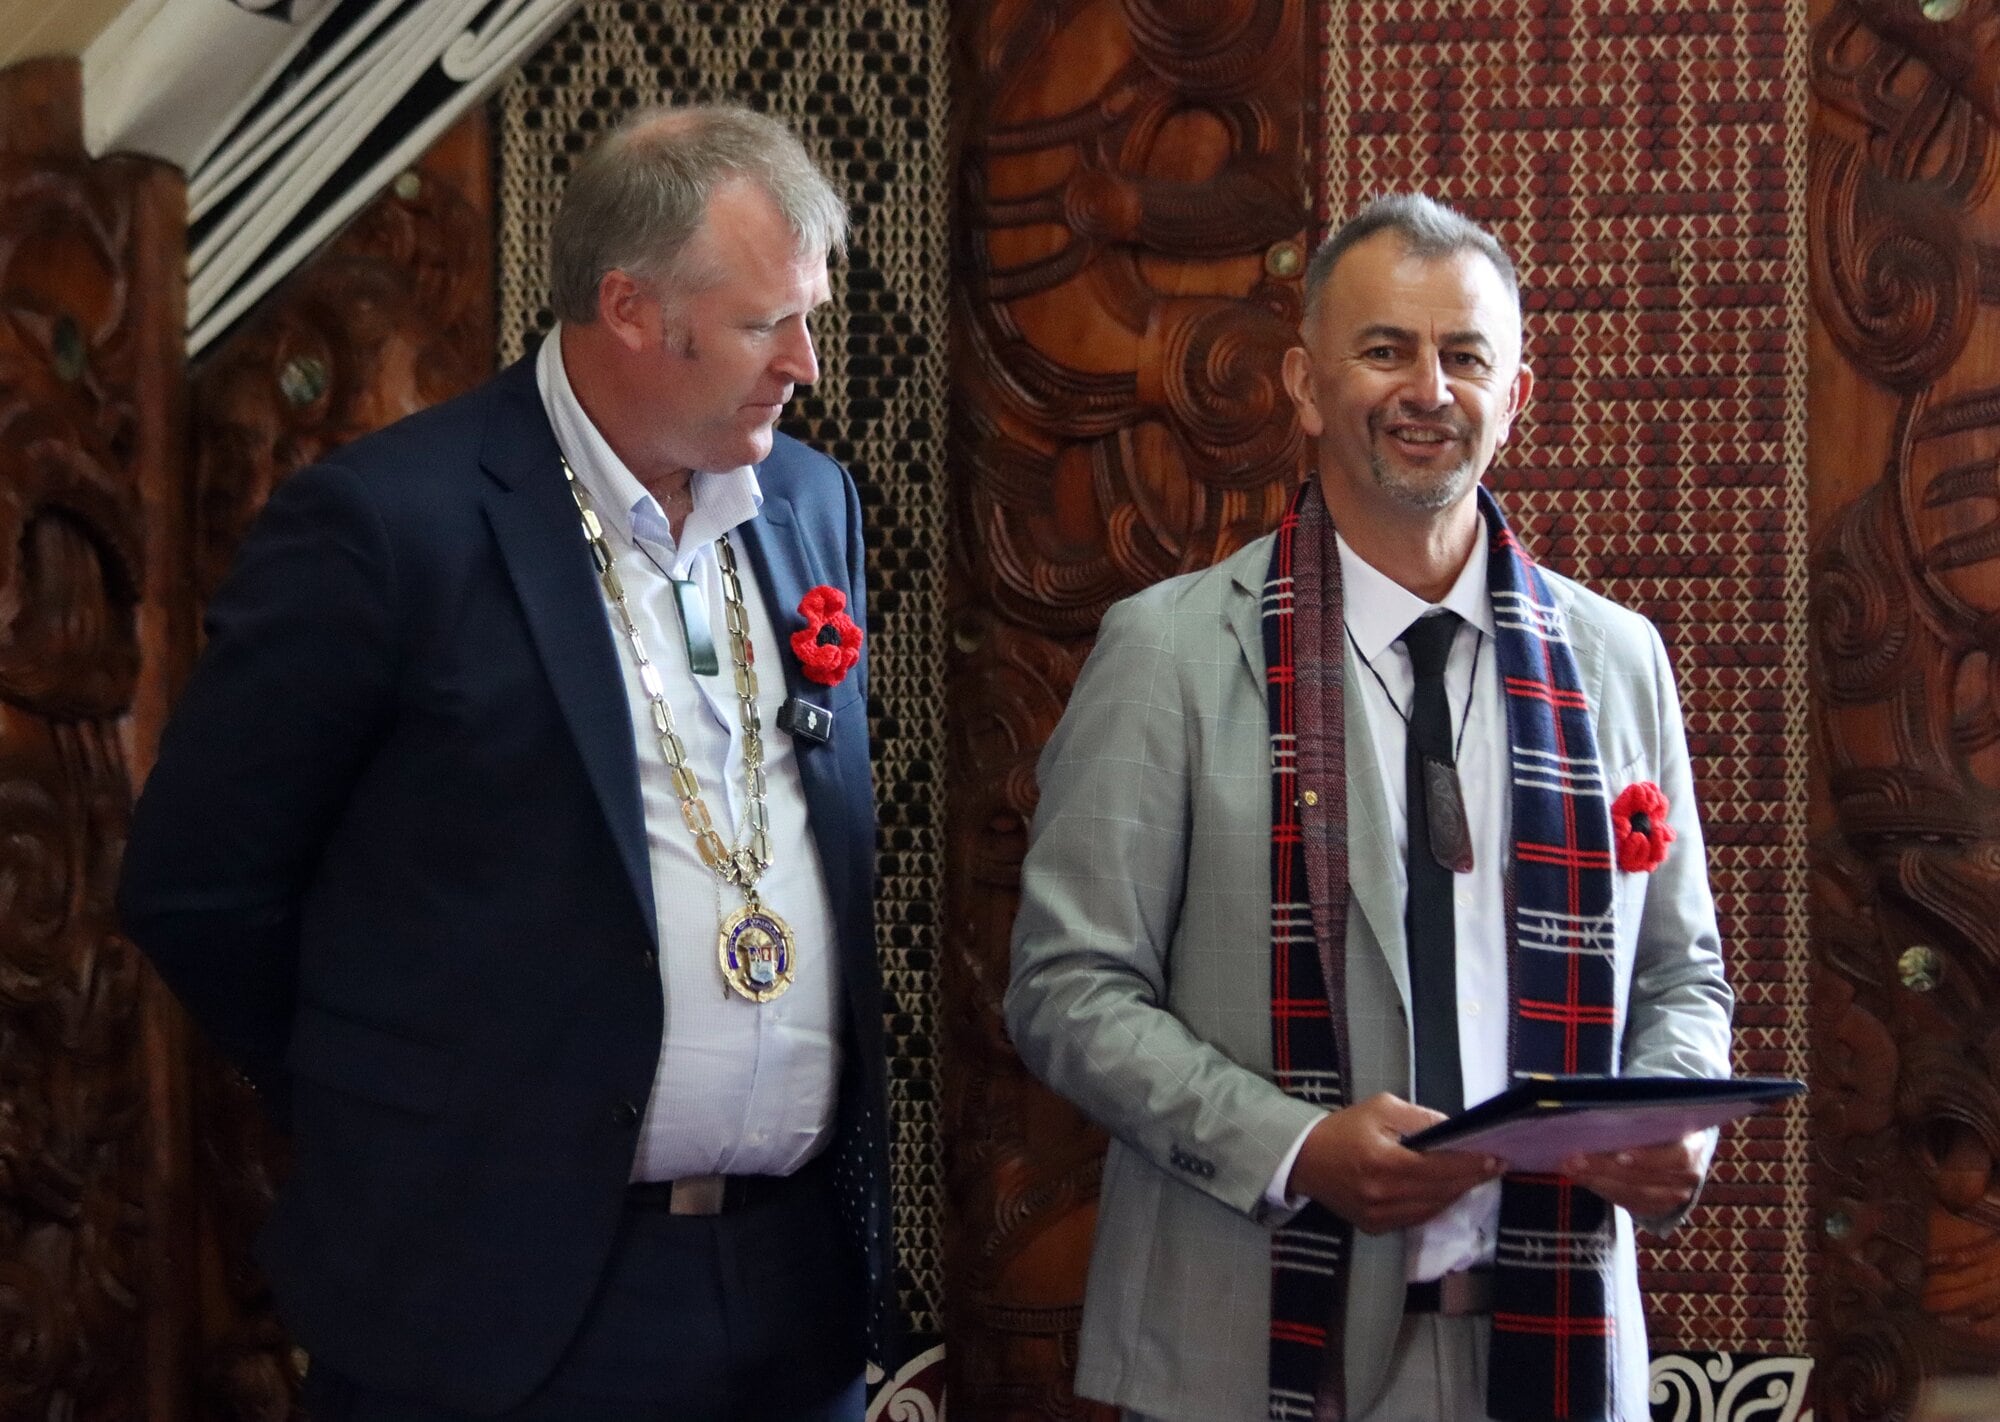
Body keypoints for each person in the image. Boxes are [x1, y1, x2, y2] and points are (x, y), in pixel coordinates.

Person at [119, 104, 892, 1422]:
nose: (806, 362)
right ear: (632, 308)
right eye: (770, 322)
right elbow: (199, 886)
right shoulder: (386, 527)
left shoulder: (812, 505)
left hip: (786, 1284)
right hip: (489, 1295)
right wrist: (404, 1107)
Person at [1005, 194, 1734, 1422]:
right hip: (1246, 1347)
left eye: (1464, 357)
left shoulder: (1615, 661)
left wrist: (1674, 1120)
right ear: (1303, 382)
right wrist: (1291, 1148)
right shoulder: (1170, 651)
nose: (1426, 391)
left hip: (1544, 1343)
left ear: (1515, 394)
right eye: (1384, 349)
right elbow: (1065, 988)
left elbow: (1682, 975)